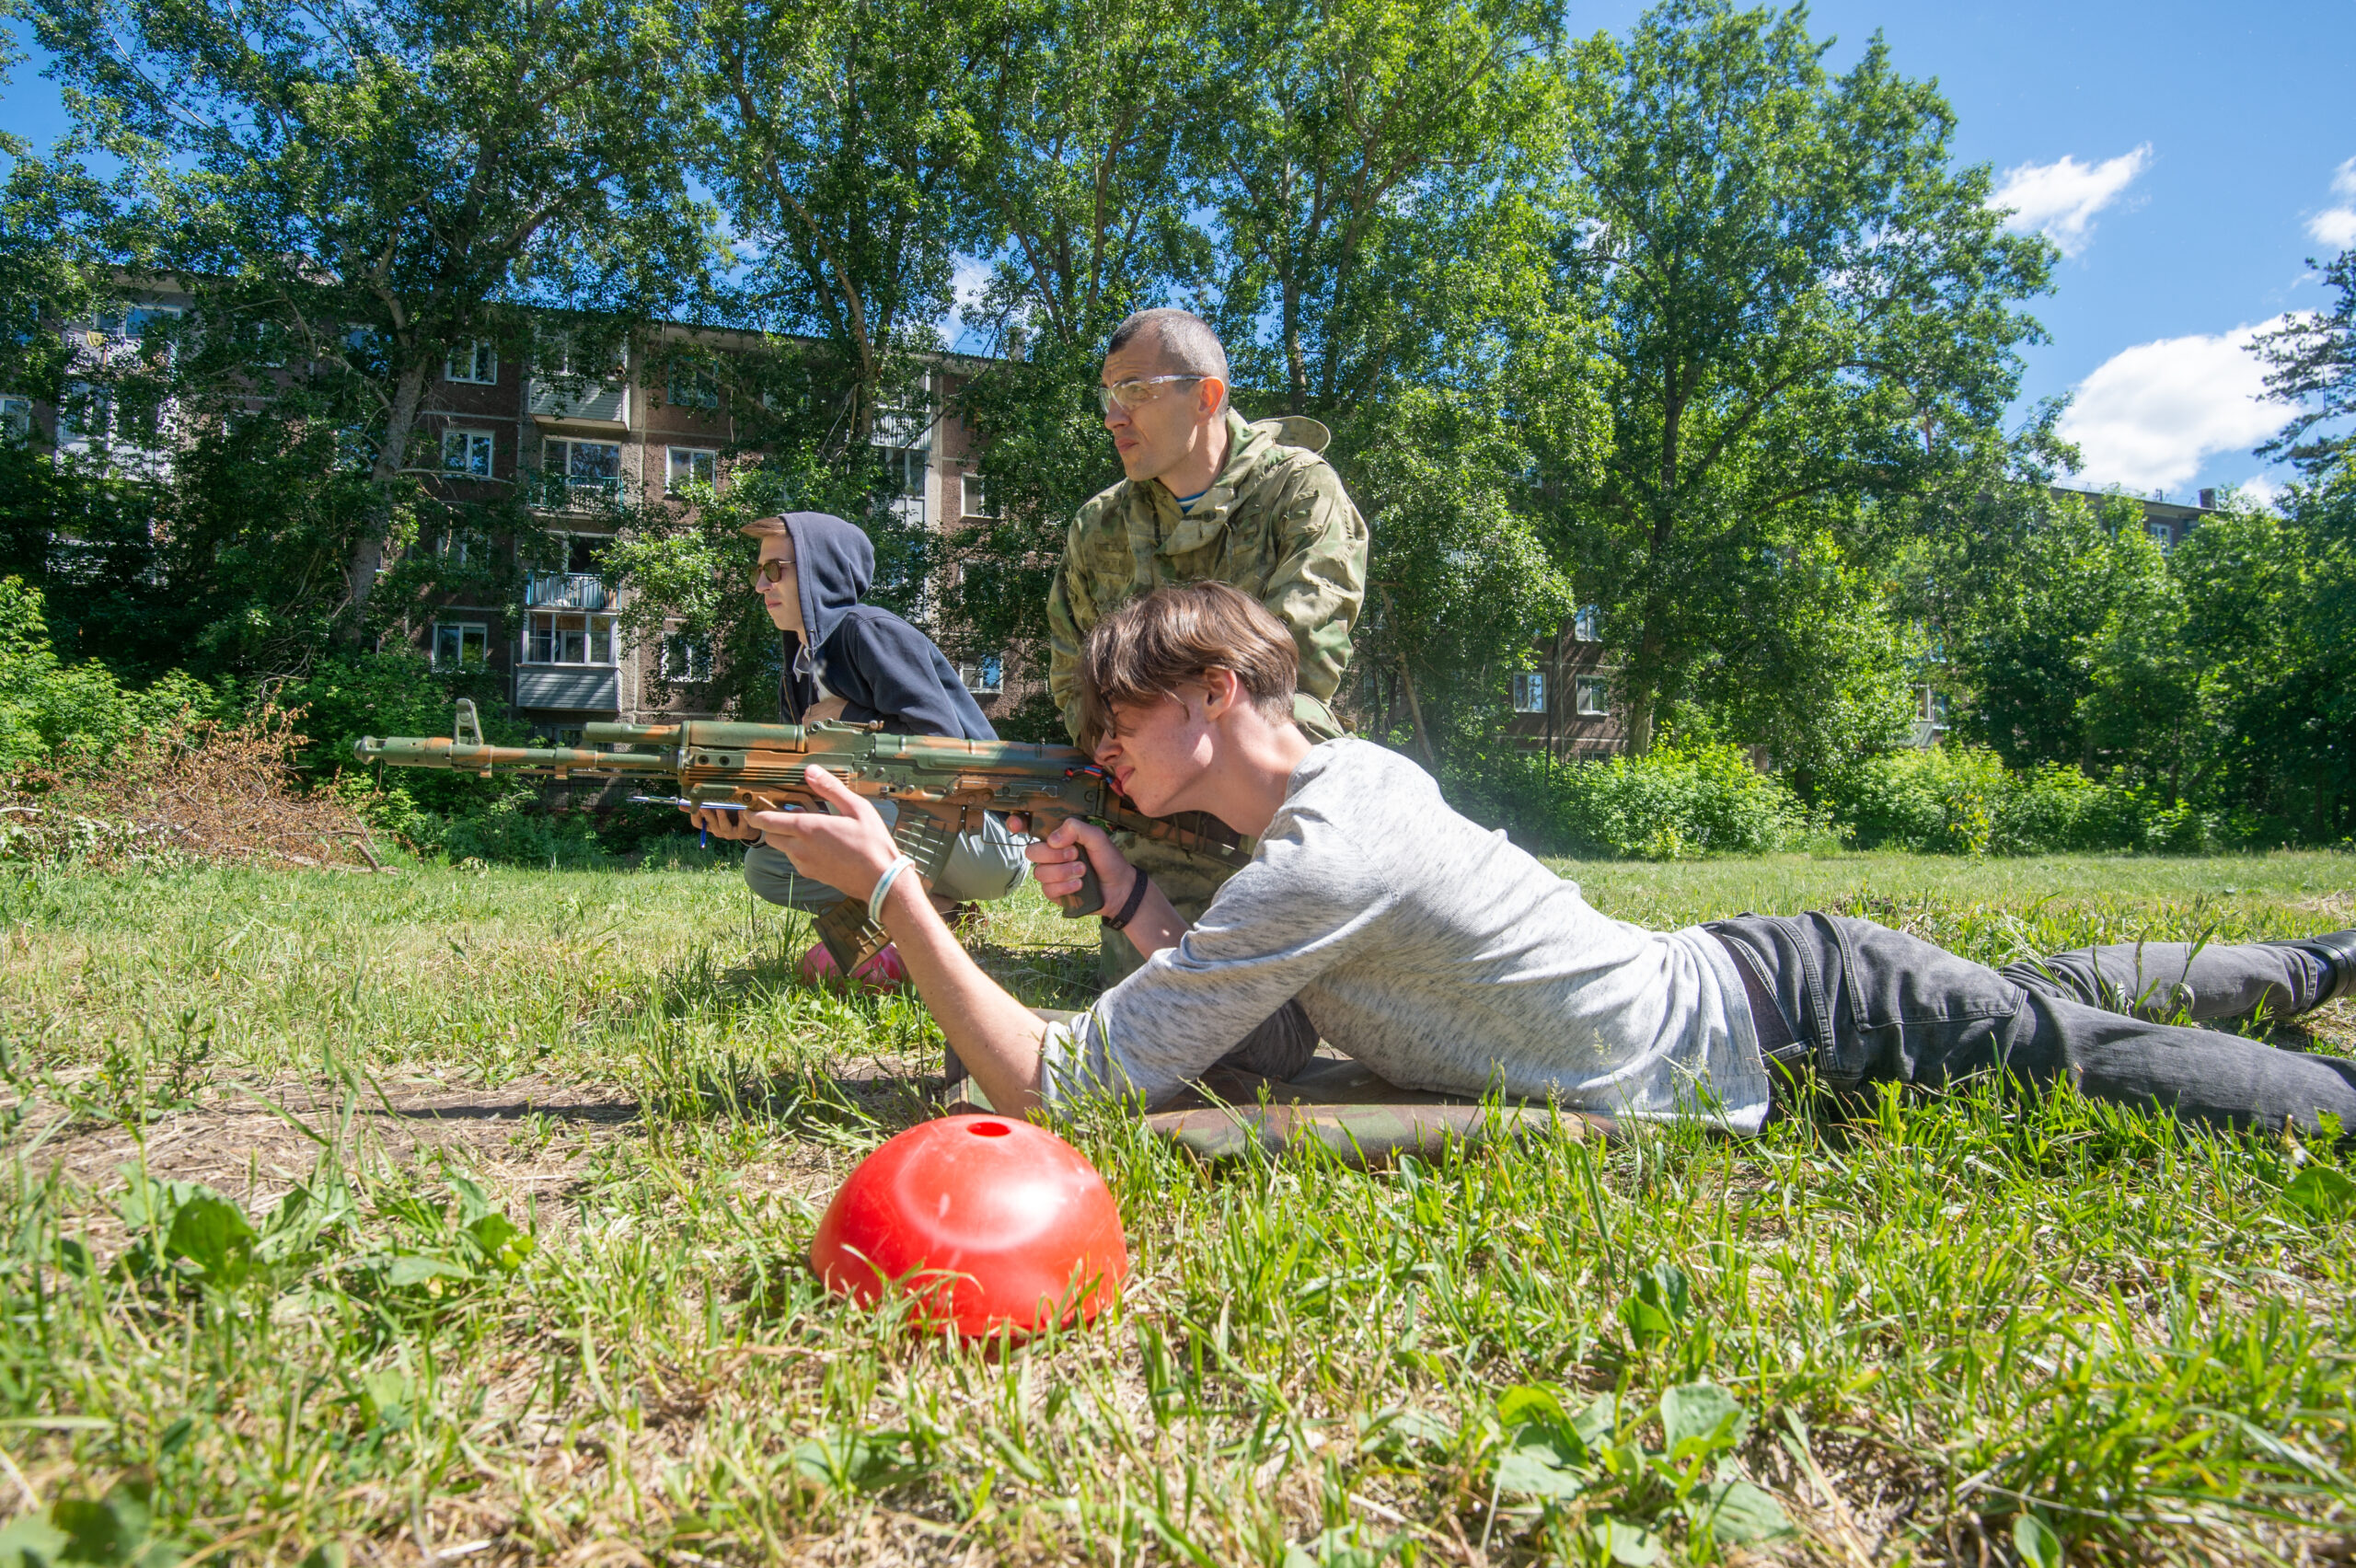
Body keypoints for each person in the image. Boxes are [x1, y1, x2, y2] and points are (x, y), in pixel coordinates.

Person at [744, 582, 2356, 1134]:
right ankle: (2313, 963)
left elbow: (1067, 1081)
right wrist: (1141, 900)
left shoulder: (1325, 849)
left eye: (1122, 717)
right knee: (2037, 993)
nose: (1100, 747)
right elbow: (1278, 1015)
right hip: (1756, 990)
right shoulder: (1326, 816)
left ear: (1221, 694)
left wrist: (892, 880)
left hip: (1802, 1013)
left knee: (2072, 1049)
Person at [1047, 307, 1368, 1069]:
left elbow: (1291, 673)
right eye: (1106, 396)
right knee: (1183, 1028)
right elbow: (1073, 676)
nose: (1113, 416)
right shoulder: (1100, 528)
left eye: (1136, 390)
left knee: (1341, 998)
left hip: (1270, 794)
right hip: (1155, 812)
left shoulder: (1299, 493)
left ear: (1207, 395)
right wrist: (1122, 771)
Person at [687, 513, 1026, 976]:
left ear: (818, 570)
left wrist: (849, 719)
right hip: (917, 832)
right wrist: (751, 819)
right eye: (757, 572)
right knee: (767, 865)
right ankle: (940, 915)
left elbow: (941, 747)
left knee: (845, 808)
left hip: (983, 830)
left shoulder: (872, 632)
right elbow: (802, 782)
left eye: (774, 570)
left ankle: (909, 930)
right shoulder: (800, 666)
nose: (761, 586)